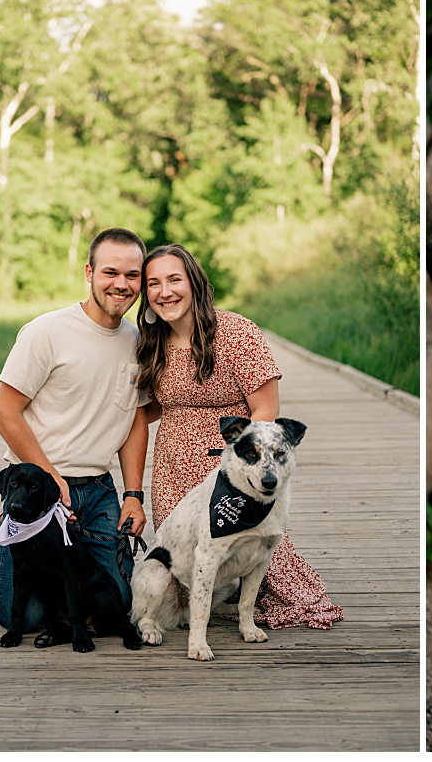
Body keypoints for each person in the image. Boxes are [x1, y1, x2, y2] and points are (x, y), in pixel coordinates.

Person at [136, 243, 343, 630]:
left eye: (174, 279)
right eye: (154, 283)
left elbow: (265, 412)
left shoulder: (236, 332)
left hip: (233, 467)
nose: (165, 291)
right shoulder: (152, 341)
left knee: (260, 555)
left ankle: (248, 605)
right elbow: (149, 407)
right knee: (187, 556)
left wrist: (234, 470)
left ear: (194, 282)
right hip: (173, 471)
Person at [0, 227, 151, 635]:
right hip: (40, 490)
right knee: (24, 618)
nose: (121, 284)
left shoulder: (139, 342)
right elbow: (5, 413)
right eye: (110, 272)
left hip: (98, 493)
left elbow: (135, 420)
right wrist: (50, 478)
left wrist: (134, 494)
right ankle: (6, 546)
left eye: (132, 275)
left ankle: (63, 582)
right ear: (89, 272)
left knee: (119, 606)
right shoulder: (46, 332)